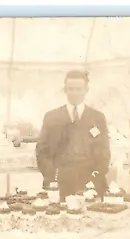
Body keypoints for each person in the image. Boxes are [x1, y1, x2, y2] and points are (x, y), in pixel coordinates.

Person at [36, 70, 110, 200]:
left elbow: (104, 153)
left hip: (91, 184)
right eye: (71, 89)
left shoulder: (97, 118)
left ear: (86, 90)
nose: (74, 93)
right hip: (60, 184)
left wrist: (95, 177)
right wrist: (52, 176)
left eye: (78, 89)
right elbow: (42, 152)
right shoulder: (51, 117)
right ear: (65, 90)